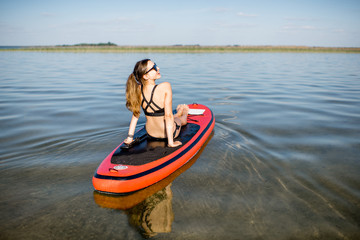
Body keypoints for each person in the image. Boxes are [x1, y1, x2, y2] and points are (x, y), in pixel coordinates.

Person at [124, 59, 189, 147]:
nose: (158, 68)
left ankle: (178, 112)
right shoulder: (165, 86)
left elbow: (135, 115)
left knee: (172, 118)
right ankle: (184, 112)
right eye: (154, 67)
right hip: (167, 134)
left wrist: (129, 138)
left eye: (156, 65)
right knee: (181, 121)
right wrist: (171, 142)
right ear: (146, 76)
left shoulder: (138, 89)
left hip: (151, 134)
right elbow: (168, 116)